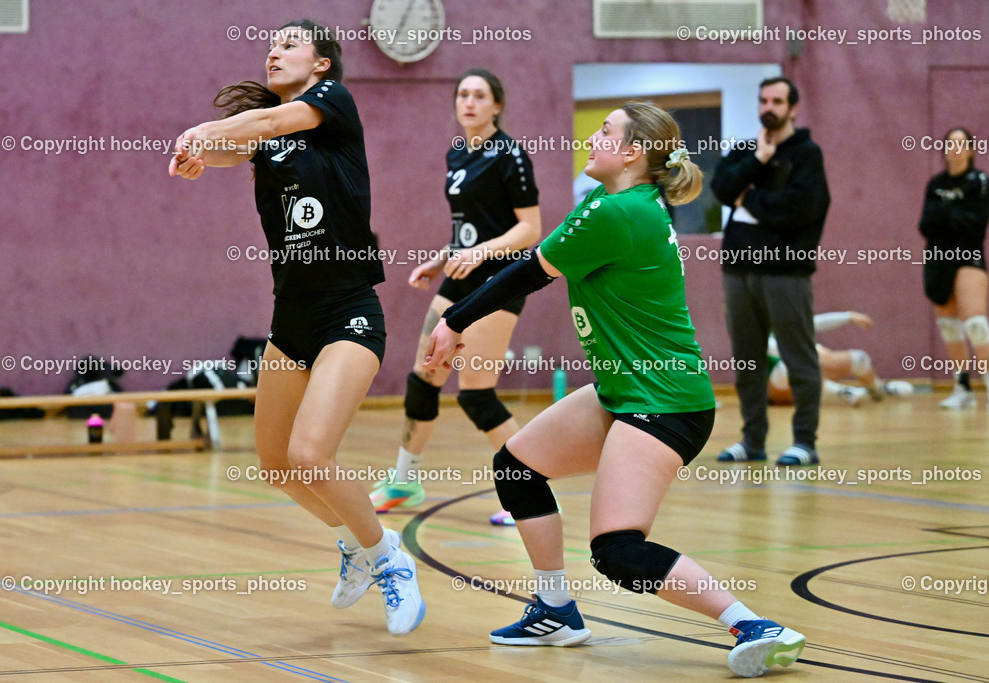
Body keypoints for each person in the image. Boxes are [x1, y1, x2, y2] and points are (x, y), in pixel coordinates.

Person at [423, 102, 806, 678]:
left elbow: (529, 271)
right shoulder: (621, 204)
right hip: (624, 390)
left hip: (664, 401)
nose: (593, 137)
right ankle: (555, 609)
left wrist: (453, 323)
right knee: (518, 468)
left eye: (606, 131)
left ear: (633, 153)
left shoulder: (618, 211)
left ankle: (754, 625)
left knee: (617, 550)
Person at [168, 20, 424, 635]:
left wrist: (205, 130)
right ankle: (355, 544)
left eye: (289, 44)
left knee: (312, 454)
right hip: (292, 319)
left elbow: (266, 124)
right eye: (270, 44)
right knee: (278, 464)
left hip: (349, 310)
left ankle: (391, 561)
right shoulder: (270, 136)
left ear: (322, 64)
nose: (274, 50)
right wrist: (200, 153)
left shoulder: (332, 104)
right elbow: (248, 142)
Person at [369, 69, 542, 525]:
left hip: (499, 281)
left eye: (479, 95)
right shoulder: (457, 153)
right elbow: (469, 228)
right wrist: (440, 258)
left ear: (497, 105)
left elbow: (530, 229)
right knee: (424, 376)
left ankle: (533, 491)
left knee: (475, 396)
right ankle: (404, 482)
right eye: (462, 94)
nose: (469, 102)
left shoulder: (510, 155)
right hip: (458, 277)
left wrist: (479, 253)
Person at [711, 77, 831, 466]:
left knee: (799, 358)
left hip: (786, 273)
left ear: (792, 107)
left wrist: (751, 200)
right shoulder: (749, 150)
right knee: (747, 361)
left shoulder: (807, 154)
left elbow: (801, 210)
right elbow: (721, 187)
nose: (769, 107)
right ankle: (753, 440)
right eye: (763, 99)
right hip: (738, 270)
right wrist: (758, 162)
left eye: (777, 100)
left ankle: (804, 442)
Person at [919, 127, 989, 410]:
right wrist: (952, 211)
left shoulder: (979, 181)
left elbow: (976, 223)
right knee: (949, 326)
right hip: (939, 256)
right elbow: (925, 225)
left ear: (971, 150)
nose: (955, 148)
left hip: (968, 255)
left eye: (961, 144)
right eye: (950, 144)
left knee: (975, 322)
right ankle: (962, 388)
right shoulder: (935, 183)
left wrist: (946, 211)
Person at [761, 312, 913, 410]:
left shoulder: (785, 318)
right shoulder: (756, 328)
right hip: (776, 388)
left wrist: (849, 316)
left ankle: (877, 389)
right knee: (795, 362)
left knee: (859, 359)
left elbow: (815, 323)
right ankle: (841, 391)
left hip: (805, 369)